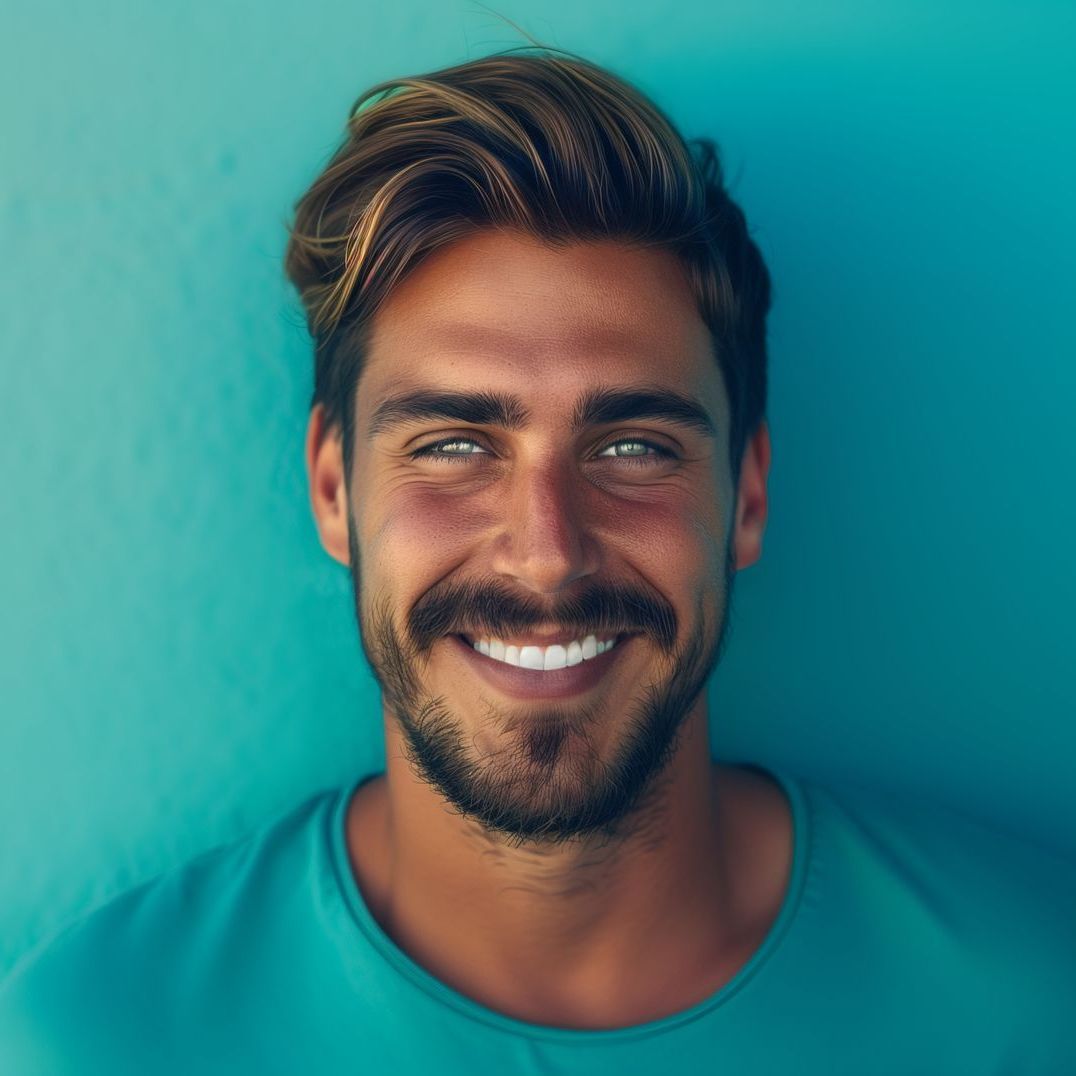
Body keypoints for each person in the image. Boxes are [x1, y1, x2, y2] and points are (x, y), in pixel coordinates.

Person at [1, 45, 1073, 1076]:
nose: (547, 554)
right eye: (455, 446)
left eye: (632, 446)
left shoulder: (1029, 1010)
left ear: (745, 493)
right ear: (333, 488)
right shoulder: (101, 1041)